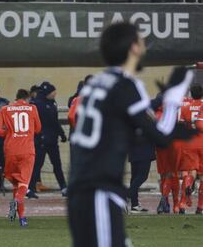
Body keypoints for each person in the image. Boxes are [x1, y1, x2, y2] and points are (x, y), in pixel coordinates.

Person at [68, 22, 196, 247]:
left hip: (83, 188)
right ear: (134, 48)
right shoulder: (127, 85)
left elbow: (120, 131)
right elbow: (161, 135)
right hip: (99, 191)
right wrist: (173, 100)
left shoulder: (94, 85)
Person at [0, 89, 41, 227]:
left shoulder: (5, 109)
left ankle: (21, 217)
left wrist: (9, 134)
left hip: (10, 150)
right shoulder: (32, 108)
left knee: (16, 184)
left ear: (16, 97)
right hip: (27, 150)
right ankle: (17, 201)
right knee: (24, 185)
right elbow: (38, 128)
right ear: (27, 98)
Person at [27, 81, 67, 199]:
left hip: (52, 140)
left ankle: (63, 187)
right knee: (37, 165)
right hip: (41, 140)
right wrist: (39, 136)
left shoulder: (52, 103)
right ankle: (30, 188)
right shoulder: (37, 104)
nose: (54, 94)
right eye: (52, 92)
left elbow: (55, 121)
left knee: (57, 164)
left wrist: (61, 134)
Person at [178, 84, 203, 214]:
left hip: (189, 143)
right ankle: (200, 206)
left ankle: (182, 203)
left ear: (191, 94)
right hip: (202, 142)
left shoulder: (185, 107)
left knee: (189, 172)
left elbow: (181, 126)